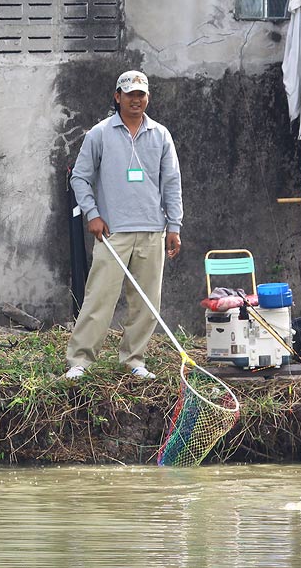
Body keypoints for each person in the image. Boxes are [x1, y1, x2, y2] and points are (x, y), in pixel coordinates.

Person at [65, 70, 182, 380]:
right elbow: (79, 176)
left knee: (146, 302)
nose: (136, 99)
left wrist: (175, 226)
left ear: (148, 98)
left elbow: (171, 182)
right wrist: (92, 214)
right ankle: (80, 361)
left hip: (152, 230)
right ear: (117, 97)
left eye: (141, 94)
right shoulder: (100, 133)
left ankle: (133, 360)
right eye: (129, 94)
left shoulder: (160, 134)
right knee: (98, 298)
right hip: (112, 231)